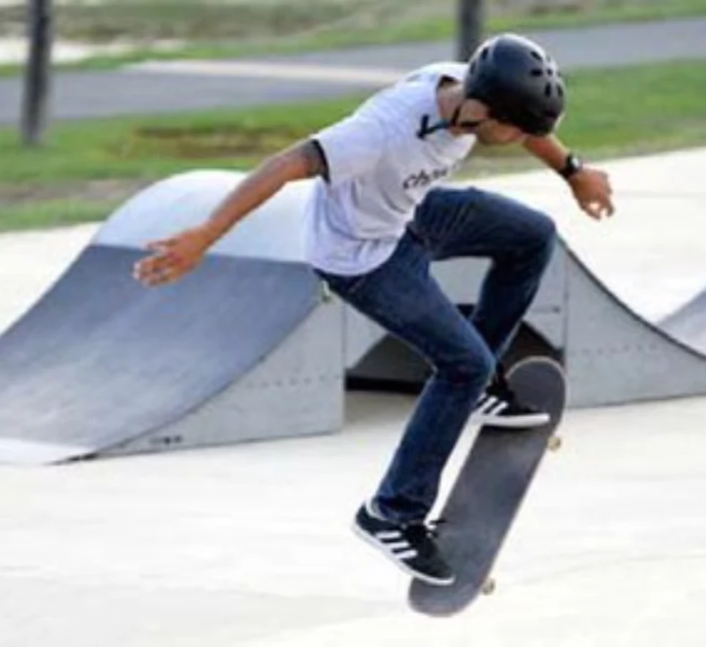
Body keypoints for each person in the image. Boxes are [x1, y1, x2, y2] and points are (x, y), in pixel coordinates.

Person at [133, 33, 615, 586]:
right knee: (462, 362)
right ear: (485, 113)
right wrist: (206, 233)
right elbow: (289, 163)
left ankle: (479, 381)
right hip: (358, 258)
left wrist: (573, 171)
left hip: (407, 218)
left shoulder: (470, 89)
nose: (530, 138)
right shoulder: (380, 132)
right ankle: (392, 513)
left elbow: (535, 134)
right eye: (522, 128)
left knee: (532, 236)